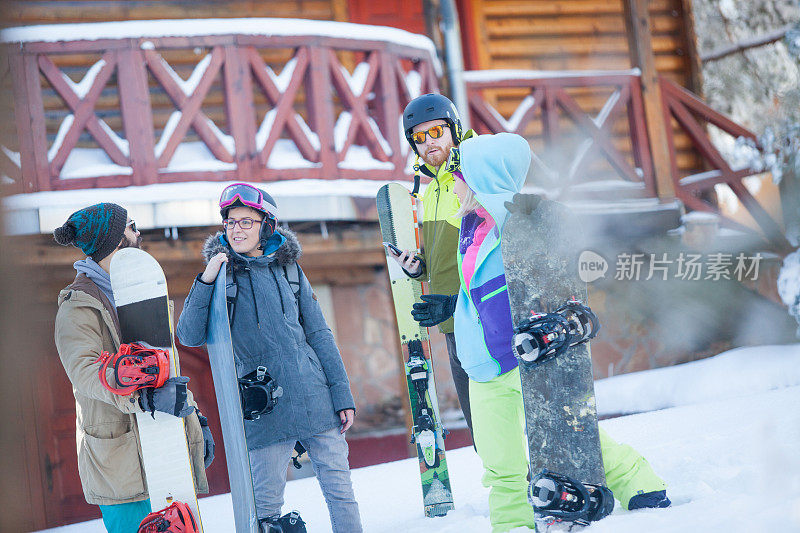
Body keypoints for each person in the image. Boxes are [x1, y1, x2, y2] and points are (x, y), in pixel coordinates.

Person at [411, 133, 670, 532]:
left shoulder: (522, 219)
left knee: (571, 432)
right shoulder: (468, 224)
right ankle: (512, 525)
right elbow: (471, 289)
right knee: (500, 464)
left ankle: (637, 479)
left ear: (482, 178)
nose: (454, 183)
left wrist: (549, 217)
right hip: (482, 362)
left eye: (460, 174)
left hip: (527, 356)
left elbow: (566, 252)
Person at [176, 183, 362, 533]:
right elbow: (188, 335)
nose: (237, 229)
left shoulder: (290, 271)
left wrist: (342, 395)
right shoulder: (219, 277)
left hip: (314, 396)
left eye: (247, 221)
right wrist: (207, 278)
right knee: (264, 509)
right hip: (264, 406)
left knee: (340, 493)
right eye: (231, 222)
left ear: (266, 226)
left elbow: (319, 334)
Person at [53, 203, 212, 533]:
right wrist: (141, 395)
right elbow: (84, 370)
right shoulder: (77, 305)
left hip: (164, 453)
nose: (139, 233)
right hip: (121, 464)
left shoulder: (141, 289)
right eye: (131, 227)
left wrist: (194, 416)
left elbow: (163, 364)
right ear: (112, 239)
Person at [385, 93, 477, 438]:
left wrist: (461, 303)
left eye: (436, 131)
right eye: (418, 138)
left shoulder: (473, 173)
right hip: (453, 324)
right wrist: (417, 267)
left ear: (453, 128)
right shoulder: (432, 189)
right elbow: (448, 254)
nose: (428, 143)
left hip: (485, 321)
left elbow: (492, 253)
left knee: (503, 421)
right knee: (480, 428)